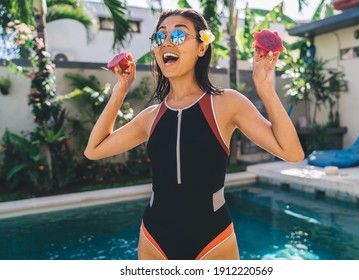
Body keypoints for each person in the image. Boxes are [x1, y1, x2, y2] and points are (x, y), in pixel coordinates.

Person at [84, 8, 304, 260]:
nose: (166, 42)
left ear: (202, 48)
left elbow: (292, 153)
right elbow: (94, 149)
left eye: (178, 35)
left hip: (213, 241)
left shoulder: (225, 103)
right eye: (159, 37)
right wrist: (120, 91)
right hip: (154, 239)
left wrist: (265, 87)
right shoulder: (151, 116)